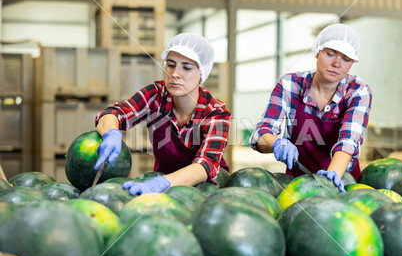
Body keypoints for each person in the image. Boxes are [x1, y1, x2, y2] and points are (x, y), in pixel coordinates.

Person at [94, 33, 231, 195]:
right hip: (163, 182)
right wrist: (111, 132)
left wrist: (162, 183)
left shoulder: (216, 113)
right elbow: (115, 113)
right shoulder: (156, 95)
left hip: (206, 190)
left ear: (202, 73)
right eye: (170, 65)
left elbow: (205, 164)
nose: (175, 73)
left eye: (186, 67)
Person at [249, 24, 372, 193]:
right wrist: (276, 143)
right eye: (330, 54)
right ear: (317, 52)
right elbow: (261, 133)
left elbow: (349, 141)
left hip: (341, 181)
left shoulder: (358, 91)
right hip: (298, 183)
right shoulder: (289, 84)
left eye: (346, 59)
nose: (337, 64)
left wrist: (330, 180)